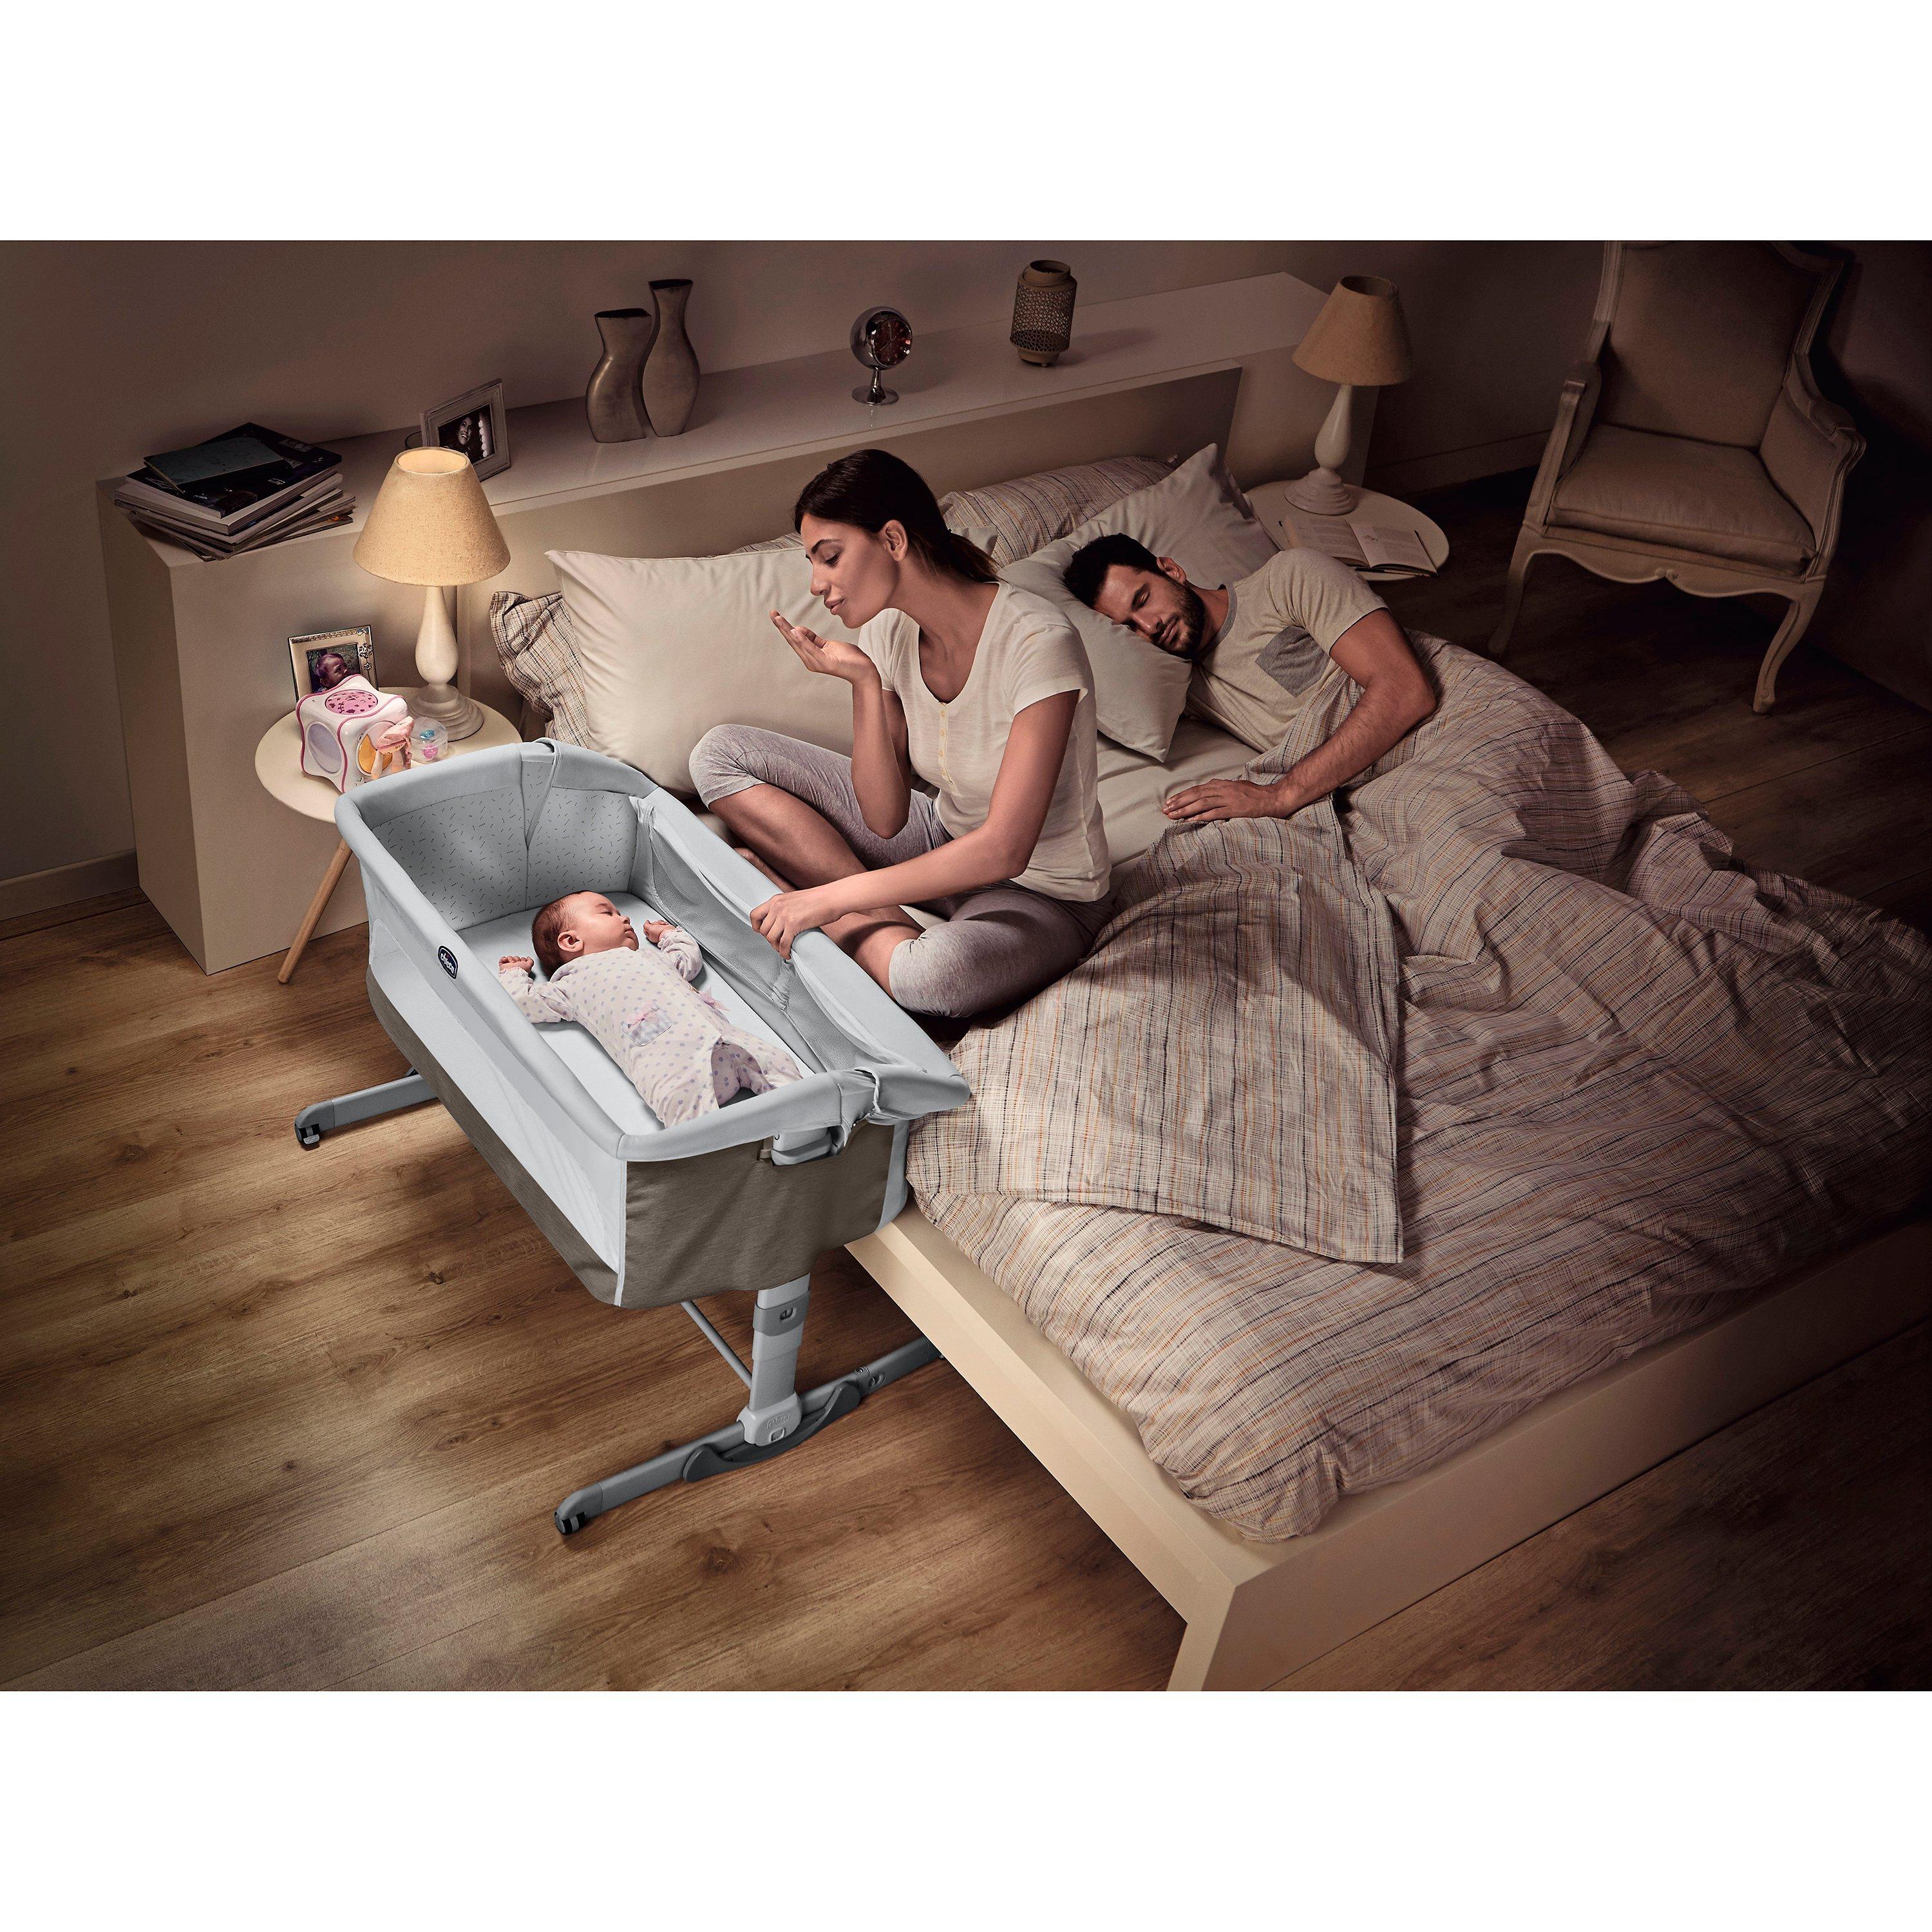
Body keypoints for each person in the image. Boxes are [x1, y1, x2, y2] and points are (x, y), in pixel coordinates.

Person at [689, 449, 1113, 1021]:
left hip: (1045, 894)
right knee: (720, 754)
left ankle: (824, 905)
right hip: (942, 833)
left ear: (892, 540)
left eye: (830, 558)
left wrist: (826, 899)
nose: (816, 584)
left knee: (930, 977)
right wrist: (865, 682)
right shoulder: (889, 630)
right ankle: (880, 920)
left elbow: (1005, 849)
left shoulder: (1038, 643)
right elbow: (884, 819)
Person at [1060, 534, 1437, 823]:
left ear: (1171, 571)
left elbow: (1405, 689)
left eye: (1143, 600)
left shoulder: (1286, 580)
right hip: (1371, 790)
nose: (1149, 626)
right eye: (1129, 627)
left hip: (1441, 727)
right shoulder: (1177, 690)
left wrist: (1280, 795)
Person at [497, 891, 802, 1127]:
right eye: (608, 913)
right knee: (689, 1120)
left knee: (776, 1061)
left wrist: (668, 935)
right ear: (571, 941)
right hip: (672, 1066)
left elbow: (688, 960)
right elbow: (525, 1003)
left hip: (728, 1040)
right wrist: (514, 974)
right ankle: (712, 1160)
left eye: (620, 912)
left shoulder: (649, 957)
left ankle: (804, 1116)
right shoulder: (571, 983)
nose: (625, 918)